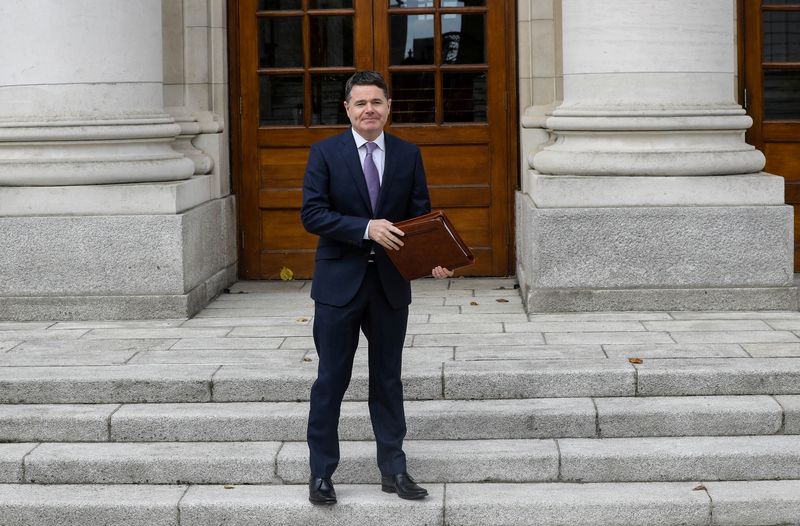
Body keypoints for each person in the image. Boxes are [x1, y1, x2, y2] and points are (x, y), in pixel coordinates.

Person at [300, 70, 453, 505]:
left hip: (389, 287)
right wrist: (364, 228)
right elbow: (312, 215)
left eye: (377, 102)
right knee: (331, 379)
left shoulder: (407, 154)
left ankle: (394, 470)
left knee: (388, 380)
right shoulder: (325, 153)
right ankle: (321, 475)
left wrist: (431, 259)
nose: (370, 109)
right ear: (347, 109)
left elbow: (418, 220)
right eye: (361, 103)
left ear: (388, 107)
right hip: (338, 286)